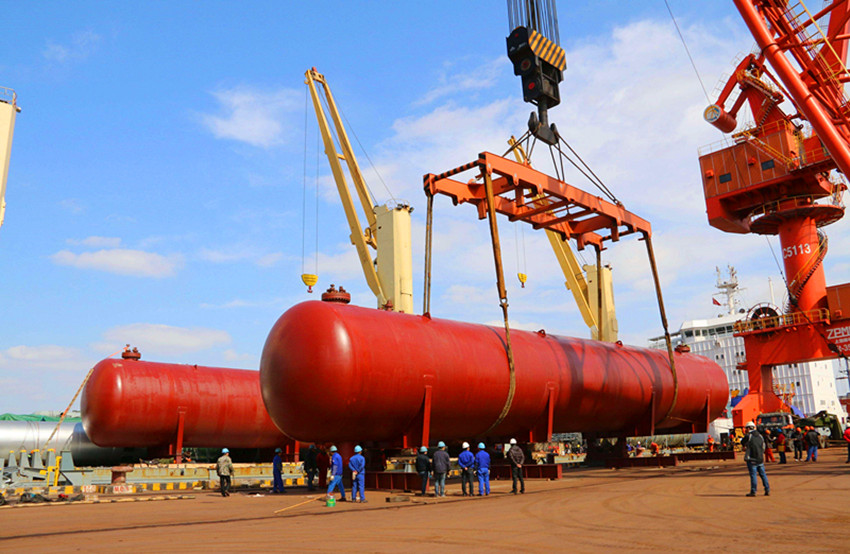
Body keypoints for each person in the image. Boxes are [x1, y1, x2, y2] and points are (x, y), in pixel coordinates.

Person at [741, 421, 769, 497]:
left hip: (751, 459)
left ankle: (753, 491)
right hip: (760, 459)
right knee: (763, 474)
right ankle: (767, 489)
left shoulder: (748, 436)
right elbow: (763, 447)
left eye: (746, 428)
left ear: (748, 428)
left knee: (753, 475)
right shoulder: (760, 436)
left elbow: (742, 442)